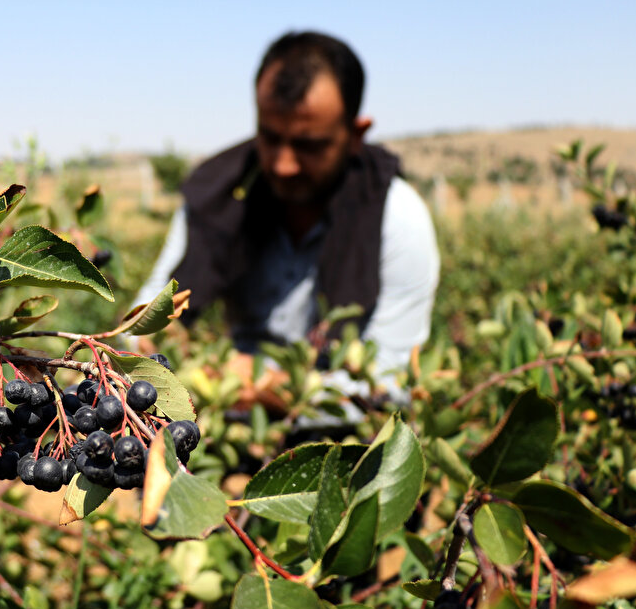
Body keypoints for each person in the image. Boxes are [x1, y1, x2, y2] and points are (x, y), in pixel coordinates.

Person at [134, 31, 439, 417]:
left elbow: (390, 386)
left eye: (309, 145)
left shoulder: (398, 219)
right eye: (269, 137)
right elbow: (145, 319)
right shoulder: (219, 195)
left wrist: (275, 390)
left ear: (356, 135)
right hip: (223, 418)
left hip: (340, 438)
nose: (283, 164)